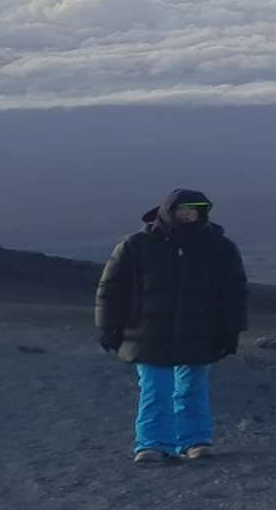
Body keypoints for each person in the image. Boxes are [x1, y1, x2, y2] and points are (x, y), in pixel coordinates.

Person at [94, 188, 249, 464]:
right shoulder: (136, 246)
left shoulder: (219, 248)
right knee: (156, 389)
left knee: (192, 387)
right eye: (182, 209)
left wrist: (231, 331)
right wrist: (108, 328)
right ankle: (152, 444)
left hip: (199, 333)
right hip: (148, 333)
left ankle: (195, 441)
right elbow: (111, 291)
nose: (189, 215)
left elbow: (234, 294)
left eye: (195, 209)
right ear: (168, 211)